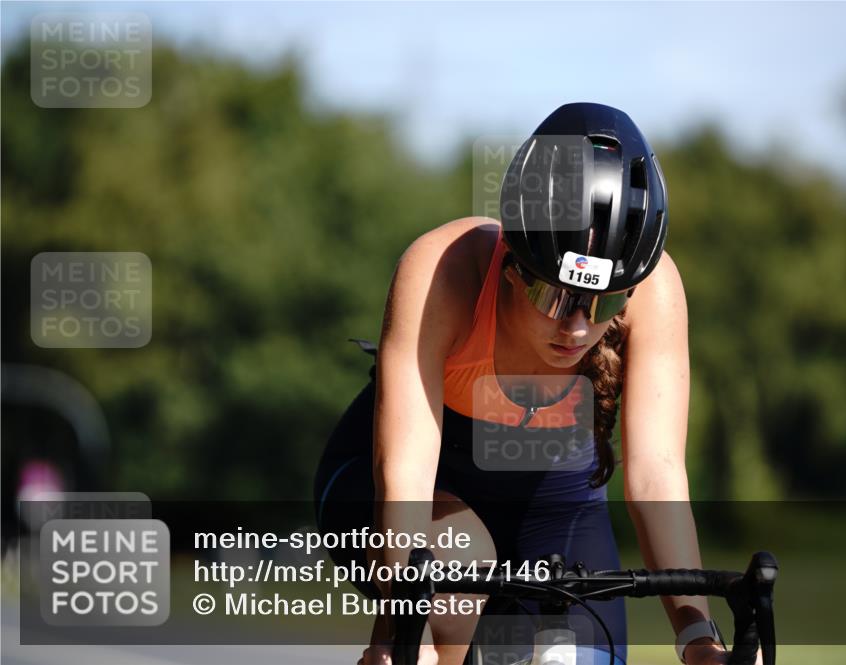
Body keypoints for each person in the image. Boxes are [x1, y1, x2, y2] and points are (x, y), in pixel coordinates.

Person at [314, 103, 749, 665]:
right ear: (512, 263)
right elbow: (405, 472)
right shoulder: (443, 270)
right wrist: (400, 632)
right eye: (555, 296)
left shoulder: (655, 286)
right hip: (413, 482)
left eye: (604, 304)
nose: (577, 328)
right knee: (448, 593)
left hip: (555, 502)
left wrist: (698, 638)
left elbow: (656, 473)